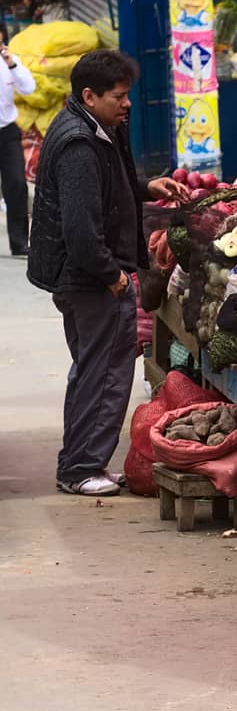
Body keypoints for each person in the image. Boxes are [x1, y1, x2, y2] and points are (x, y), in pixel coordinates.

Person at [27, 50, 189, 497]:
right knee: (103, 372)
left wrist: (145, 186)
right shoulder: (80, 143)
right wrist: (113, 276)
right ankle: (81, 469)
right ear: (89, 96)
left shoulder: (94, 128)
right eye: (118, 96)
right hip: (89, 277)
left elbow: (108, 188)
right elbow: (80, 228)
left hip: (84, 275)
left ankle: (81, 462)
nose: (128, 104)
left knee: (94, 370)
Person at [0, 28, 33, 256]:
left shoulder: (10, 62)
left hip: (8, 132)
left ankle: (20, 242)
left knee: (17, 185)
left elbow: (29, 88)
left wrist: (12, 64)